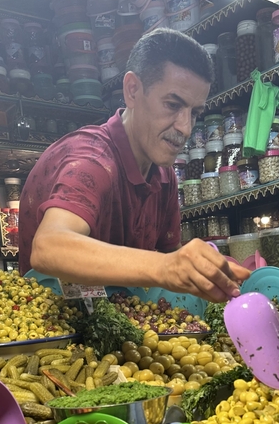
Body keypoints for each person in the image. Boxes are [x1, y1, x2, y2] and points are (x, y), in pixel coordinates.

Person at [18, 28, 249, 303]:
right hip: (51, 328)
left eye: (195, 113)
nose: (185, 128)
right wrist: (166, 267)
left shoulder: (164, 175)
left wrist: (204, 273)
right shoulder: (92, 160)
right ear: (132, 90)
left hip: (115, 326)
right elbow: (49, 247)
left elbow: (169, 257)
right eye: (173, 104)